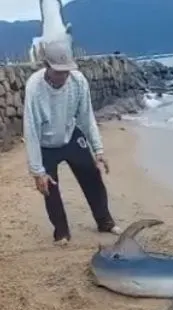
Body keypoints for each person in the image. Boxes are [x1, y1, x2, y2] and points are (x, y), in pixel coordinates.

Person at [23, 39, 122, 246]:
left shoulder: (78, 81)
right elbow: (31, 130)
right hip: (45, 143)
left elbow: (86, 118)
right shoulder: (34, 87)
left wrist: (98, 149)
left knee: (92, 176)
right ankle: (61, 232)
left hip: (70, 135)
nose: (63, 76)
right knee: (49, 188)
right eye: (58, 71)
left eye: (66, 70)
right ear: (46, 66)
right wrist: (37, 171)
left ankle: (105, 221)